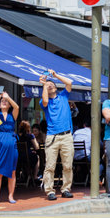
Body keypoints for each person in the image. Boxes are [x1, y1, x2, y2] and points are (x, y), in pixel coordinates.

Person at [39, 69, 74, 201]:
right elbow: (45, 102)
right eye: (48, 85)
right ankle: (49, 191)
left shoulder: (63, 96)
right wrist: (44, 85)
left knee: (68, 165)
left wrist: (55, 75)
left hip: (66, 135)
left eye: (51, 84)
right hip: (52, 136)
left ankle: (66, 189)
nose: (50, 85)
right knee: (50, 165)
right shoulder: (43, 101)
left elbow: (69, 83)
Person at [0, 91, 20, 205]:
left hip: (12, 146)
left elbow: (17, 106)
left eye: (6, 102)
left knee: (12, 172)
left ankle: (11, 195)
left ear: (9, 105)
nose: (4, 102)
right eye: (2, 102)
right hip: (0, 145)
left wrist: (8, 97)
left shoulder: (12, 115)